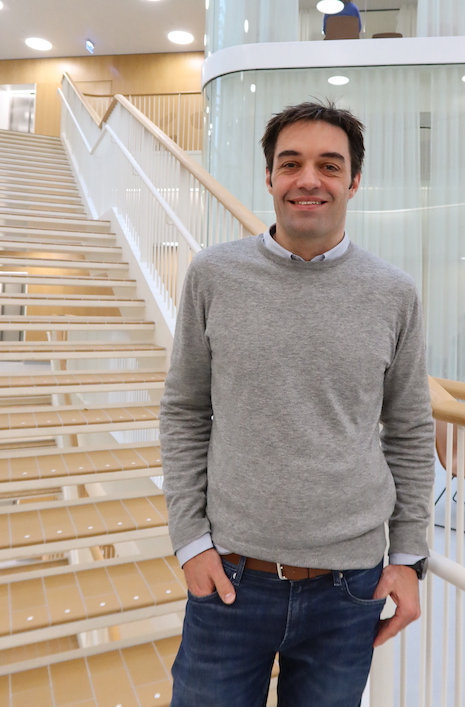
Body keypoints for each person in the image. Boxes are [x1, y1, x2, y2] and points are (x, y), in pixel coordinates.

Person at [160, 101, 435, 707]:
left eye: (329, 165)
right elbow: (183, 410)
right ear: (269, 178)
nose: (308, 179)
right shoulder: (213, 276)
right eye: (291, 163)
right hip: (229, 580)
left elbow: (411, 430)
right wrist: (189, 539)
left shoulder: (394, 294)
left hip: (350, 589)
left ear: (354, 181)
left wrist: (411, 559)